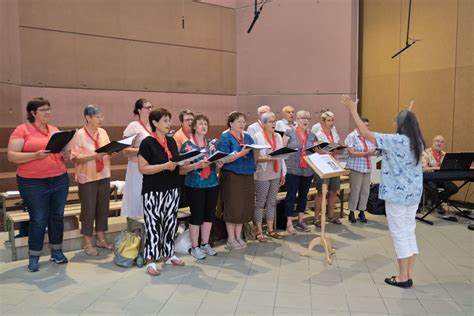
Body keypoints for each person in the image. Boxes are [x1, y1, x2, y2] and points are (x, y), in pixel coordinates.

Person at [342, 95, 426, 289]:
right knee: (408, 231)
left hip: (397, 196)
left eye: (396, 121)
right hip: (413, 194)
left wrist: (353, 110)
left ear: (401, 125)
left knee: (399, 234)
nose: (393, 123)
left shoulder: (396, 141)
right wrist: (409, 111)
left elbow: (365, 133)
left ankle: (403, 277)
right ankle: (407, 274)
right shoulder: (418, 141)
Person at [8, 97, 69, 272]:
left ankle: (56, 251)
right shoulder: (22, 130)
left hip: (59, 178)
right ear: (33, 113)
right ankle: (34, 256)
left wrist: (66, 153)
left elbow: (58, 152)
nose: (48, 112)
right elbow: (12, 156)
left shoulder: (54, 130)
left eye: (49, 109)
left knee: (57, 216)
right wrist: (35, 155)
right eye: (43, 110)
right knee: (39, 218)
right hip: (33, 182)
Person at [138, 108, 184, 276]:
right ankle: (151, 260)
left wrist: (193, 164)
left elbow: (176, 163)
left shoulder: (171, 141)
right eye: (164, 120)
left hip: (172, 188)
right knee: (153, 225)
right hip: (153, 190)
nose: (168, 123)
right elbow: (143, 168)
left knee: (170, 223)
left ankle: (169, 253)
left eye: (169, 120)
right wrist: (165, 166)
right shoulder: (147, 142)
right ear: (155, 123)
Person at [70, 105, 115, 256]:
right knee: (88, 210)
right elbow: (75, 158)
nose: (101, 119)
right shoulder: (79, 134)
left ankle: (101, 239)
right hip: (87, 177)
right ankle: (87, 243)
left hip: (103, 174)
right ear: (88, 118)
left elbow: (106, 153)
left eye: (102, 116)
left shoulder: (103, 132)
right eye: (98, 117)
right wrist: (94, 156)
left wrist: (112, 152)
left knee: (103, 207)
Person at [180, 115, 221, 259]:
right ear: (194, 127)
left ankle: (205, 244)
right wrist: (196, 165)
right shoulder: (187, 146)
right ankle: (194, 246)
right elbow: (182, 170)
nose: (204, 126)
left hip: (212, 183)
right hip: (194, 185)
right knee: (196, 216)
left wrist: (219, 163)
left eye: (206, 124)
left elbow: (216, 161)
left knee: (209, 215)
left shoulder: (212, 144)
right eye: (200, 124)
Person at [217, 111, 256, 250]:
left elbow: (253, 153)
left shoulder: (248, 137)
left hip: (247, 174)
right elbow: (222, 158)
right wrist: (240, 154)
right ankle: (231, 238)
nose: (242, 124)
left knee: (244, 206)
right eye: (239, 121)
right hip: (232, 175)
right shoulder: (225, 138)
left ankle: (239, 236)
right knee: (233, 206)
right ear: (231, 123)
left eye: (244, 121)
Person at [282, 110, 317, 234]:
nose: (305, 121)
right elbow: (282, 151)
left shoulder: (312, 135)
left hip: (307, 170)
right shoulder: (289, 132)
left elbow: (314, 151)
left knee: (304, 195)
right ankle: (289, 222)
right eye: (302, 118)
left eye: (308, 118)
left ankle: (301, 220)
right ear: (296, 120)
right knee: (291, 195)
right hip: (292, 169)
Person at [254, 112, 286, 242]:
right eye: (271, 122)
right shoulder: (257, 136)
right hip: (263, 172)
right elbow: (256, 157)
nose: (273, 124)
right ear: (263, 123)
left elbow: (282, 155)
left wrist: (283, 172)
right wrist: (269, 158)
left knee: (272, 202)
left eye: (274, 121)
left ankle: (271, 229)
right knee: (261, 202)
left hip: (276, 172)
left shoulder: (278, 136)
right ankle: (259, 230)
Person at [121, 98, 154, 217]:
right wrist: (143, 150)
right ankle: (134, 229)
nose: (150, 110)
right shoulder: (133, 126)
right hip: (136, 168)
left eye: (151, 107)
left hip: (152, 167)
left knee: (148, 198)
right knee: (136, 197)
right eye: (147, 108)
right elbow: (125, 150)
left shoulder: (154, 125)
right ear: (139, 110)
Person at [344, 117, 377, 223]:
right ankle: (352, 212)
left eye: (368, 125)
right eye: (365, 125)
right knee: (355, 190)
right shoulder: (352, 137)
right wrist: (367, 153)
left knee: (365, 191)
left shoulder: (368, 136)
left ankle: (362, 211)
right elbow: (352, 153)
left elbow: (373, 149)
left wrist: (377, 152)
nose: (367, 127)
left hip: (367, 167)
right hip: (356, 167)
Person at [314, 111, 343, 225]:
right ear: (323, 122)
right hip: (323, 165)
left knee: (333, 191)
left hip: (334, 164)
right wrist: (331, 150)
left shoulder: (334, 134)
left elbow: (339, 148)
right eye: (329, 120)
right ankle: (316, 217)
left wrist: (338, 149)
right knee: (321, 192)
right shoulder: (319, 134)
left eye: (332, 120)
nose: (331, 123)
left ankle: (331, 215)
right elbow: (319, 150)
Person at [422, 135, 458, 213]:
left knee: (454, 188)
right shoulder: (425, 153)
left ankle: (436, 199)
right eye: (437, 141)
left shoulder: (445, 154)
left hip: (441, 177)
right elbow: (424, 168)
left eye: (442, 142)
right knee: (433, 188)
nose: (439, 143)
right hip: (429, 177)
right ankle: (438, 205)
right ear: (433, 142)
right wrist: (436, 168)